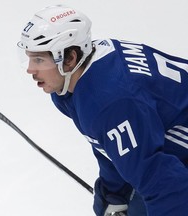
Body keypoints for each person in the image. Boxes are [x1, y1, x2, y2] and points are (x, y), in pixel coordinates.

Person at [17, 4, 188, 216]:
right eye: (29, 58)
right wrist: (114, 194)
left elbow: (168, 187)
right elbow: (113, 145)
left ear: (69, 58)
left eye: (39, 60)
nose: (30, 69)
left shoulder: (108, 103)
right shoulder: (79, 77)